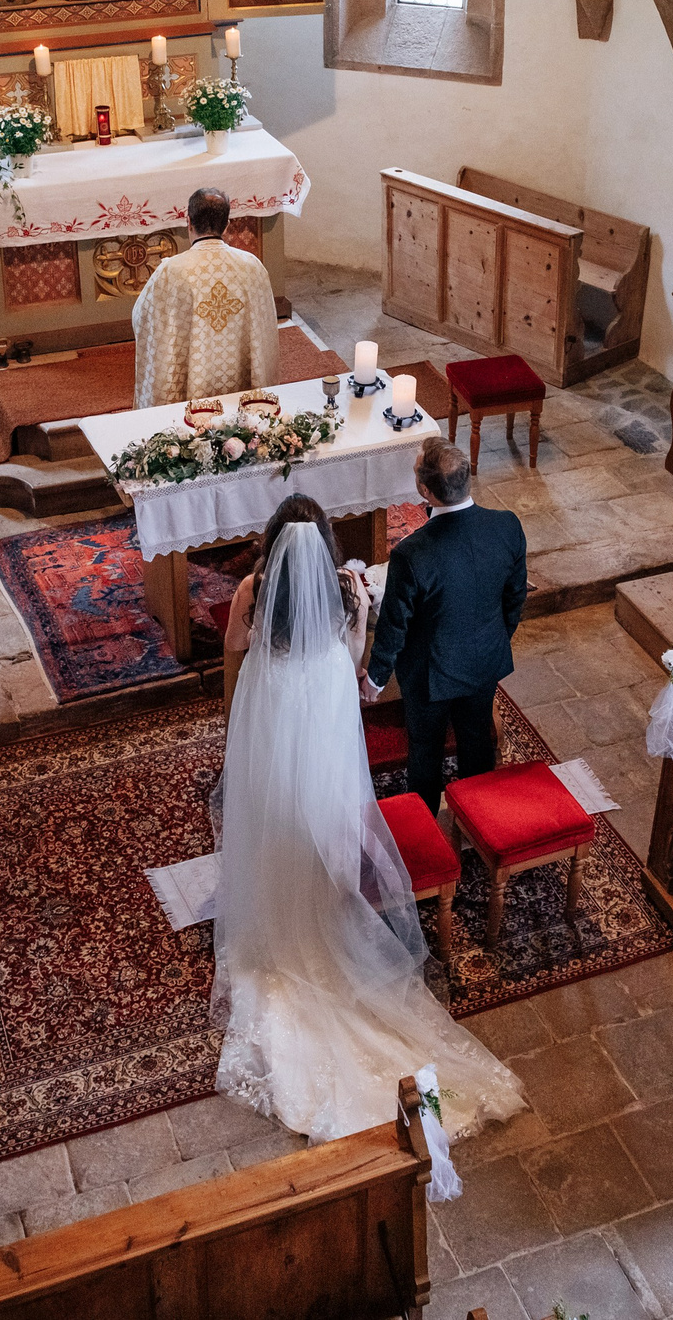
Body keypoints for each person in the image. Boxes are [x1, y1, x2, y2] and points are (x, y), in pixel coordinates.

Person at [213, 513, 526, 1142]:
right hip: (324, 724)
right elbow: (355, 662)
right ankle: (328, 895)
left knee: (274, 811)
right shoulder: (348, 592)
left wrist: (235, 726)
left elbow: (234, 652)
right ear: (328, 543)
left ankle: (279, 902)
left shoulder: (253, 589)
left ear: (271, 542)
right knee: (323, 813)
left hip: (274, 719)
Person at [361, 440, 530, 813]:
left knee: (425, 752)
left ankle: (426, 828)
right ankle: (479, 817)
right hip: (484, 660)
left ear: (424, 490)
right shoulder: (506, 527)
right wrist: (494, 639)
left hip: (429, 675)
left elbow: (394, 622)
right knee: (476, 742)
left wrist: (375, 677)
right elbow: (515, 598)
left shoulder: (412, 553)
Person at [129, 187, 281, 409]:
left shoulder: (172, 271)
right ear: (227, 225)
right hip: (242, 383)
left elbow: (142, 317)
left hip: (193, 383)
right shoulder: (252, 266)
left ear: (188, 222)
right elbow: (265, 329)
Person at [222, 495, 370, 668]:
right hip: (329, 673)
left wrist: (259, 634)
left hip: (275, 677)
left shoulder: (254, 585)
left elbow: (234, 644)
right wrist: (355, 672)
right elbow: (357, 636)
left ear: (273, 541)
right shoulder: (348, 581)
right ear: (325, 540)